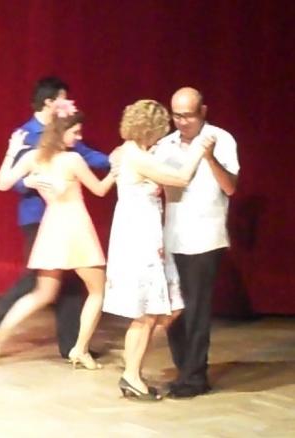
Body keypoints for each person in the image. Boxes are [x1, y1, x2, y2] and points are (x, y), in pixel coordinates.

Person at [0, 77, 109, 360]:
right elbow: (98, 187)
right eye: (76, 132)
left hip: (52, 224)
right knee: (66, 287)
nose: (79, 137)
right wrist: (125, 164)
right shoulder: (33, 139)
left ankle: (69, 345)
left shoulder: (50, 152)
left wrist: (112, 160)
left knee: (54, 290)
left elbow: (87, 155)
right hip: (55, 223)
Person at [102, 99, 212, 401]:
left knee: (170, 307)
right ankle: (131, 375)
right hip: (138, 238)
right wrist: (200, 149)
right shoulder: (135, 156)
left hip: (147, 235)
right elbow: (180, 178)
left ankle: (132, 367)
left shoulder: (133, 152)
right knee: (147, 312)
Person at [156, 87, 239, 399]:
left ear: (203, 111)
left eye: (188, 115)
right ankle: (184, 369)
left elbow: (230, 187)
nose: (182, 121)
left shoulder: (221, 139)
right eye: (176, 115)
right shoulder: (165, 144)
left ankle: (195, 377)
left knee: (197, 309)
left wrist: (209, 157)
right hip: (172, 235)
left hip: (205, 237)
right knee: (174, 308)